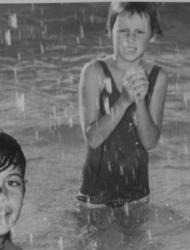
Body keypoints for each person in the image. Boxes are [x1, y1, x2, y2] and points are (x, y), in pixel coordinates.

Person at [77, 1, 168, 211]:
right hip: (95, 197)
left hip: (137, 194)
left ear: (152, 35)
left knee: (140, 245)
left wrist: (140, 101)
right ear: (110, 30)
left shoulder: (157, 77)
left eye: (139, 32)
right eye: (123, 30)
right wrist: (125, 99)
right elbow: (93, 137)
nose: (130, 38)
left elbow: (150, 142)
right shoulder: (94, 72)